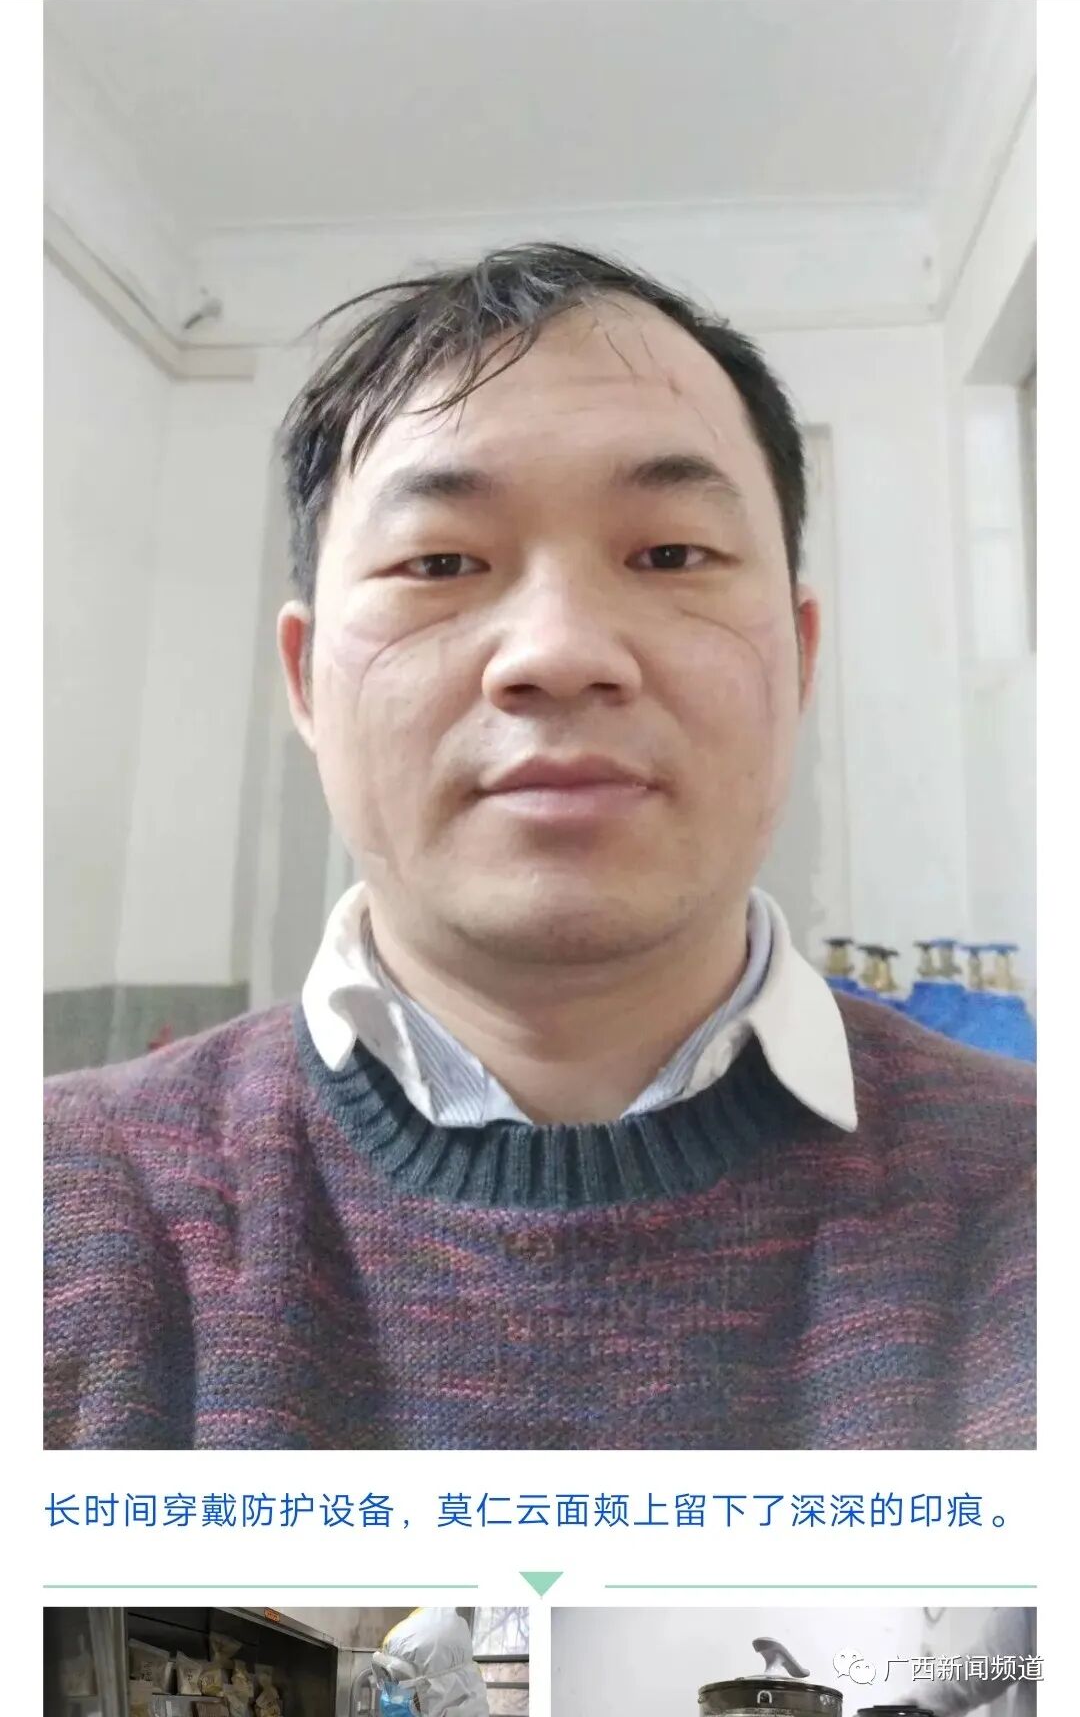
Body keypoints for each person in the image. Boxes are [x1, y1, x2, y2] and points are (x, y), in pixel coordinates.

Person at [44, 242, 1035, 1450]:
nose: (559, 652)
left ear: (800, 655)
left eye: (670, 555)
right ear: (306, 679)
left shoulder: (1032, 1193)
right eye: (440, 563)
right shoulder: (62, 1199)